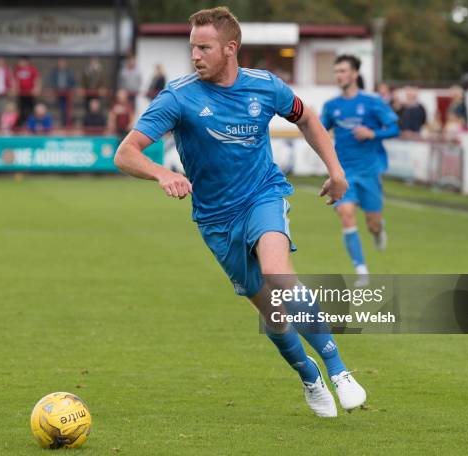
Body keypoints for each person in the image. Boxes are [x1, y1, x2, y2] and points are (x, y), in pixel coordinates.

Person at [114, 6, 366, 418]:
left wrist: (336, 171)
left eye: (204, 48)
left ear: (230, 49)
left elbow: (308, 119)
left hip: (263, 195)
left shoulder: (265, 86)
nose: (195, 56)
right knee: (271, 312)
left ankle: (339, 370)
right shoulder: (178, 96)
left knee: (279, 276)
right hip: (215, 220)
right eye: (192, 47)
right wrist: (161, 173)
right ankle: (309, 376)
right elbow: (125, 153)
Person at [321, 54, 399, 286]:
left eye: (343, 71)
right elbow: (320, 132)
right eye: (336, 72)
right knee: (345, 213)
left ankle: (377, 229)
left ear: (355, 74)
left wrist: (372, 133)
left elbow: (395, 127)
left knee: (372, 223)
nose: (339, 76)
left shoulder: (373, 102)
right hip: (344, 174)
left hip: (369, 172)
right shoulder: (331, 106)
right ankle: (362, 270)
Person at [48, 58, 75, 126]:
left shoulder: (70, 72)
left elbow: (72, 82)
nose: (61, 64)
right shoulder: (55, 72)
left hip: (67, 93)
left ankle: (67, 123)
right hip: (58, 93)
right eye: (60, 63)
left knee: (67, 109)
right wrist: (53, 90)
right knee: (61, 108)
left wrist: (71, 89)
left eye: (63, 63)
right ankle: (63, 122)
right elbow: (52, 81)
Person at [14, 56, 40, 125]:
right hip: (21, 94)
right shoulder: (17, 70)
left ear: (26, 62)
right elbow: (15, 80)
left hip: (30, 94)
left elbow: (36, 79)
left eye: (21, 61)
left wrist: (36, 88)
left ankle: (31, 125)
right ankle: (20, 126)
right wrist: (15, 88)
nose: (20, 63)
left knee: (31, 110)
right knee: (21, 110)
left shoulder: (32, 69)